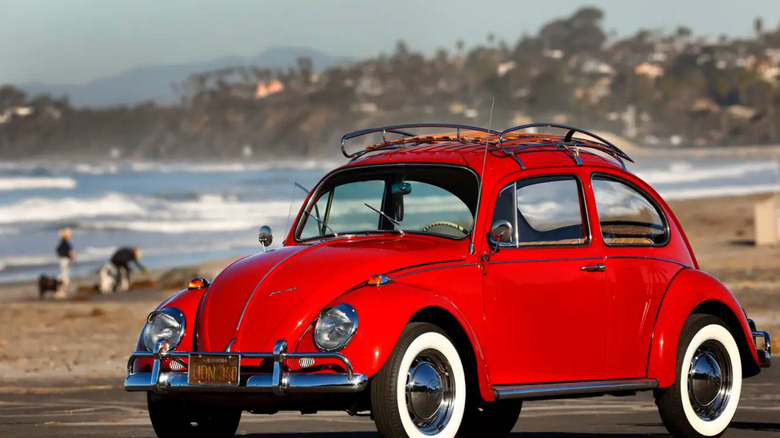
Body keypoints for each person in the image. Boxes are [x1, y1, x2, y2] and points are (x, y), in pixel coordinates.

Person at [54, 227, 75, 299]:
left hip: (63, 260)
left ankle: (61, 291)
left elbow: (58, 250)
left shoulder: (63, 242)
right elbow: (64, 252)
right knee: (64, 276)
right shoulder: (65, 243)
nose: (71, 236)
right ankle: (60, 291)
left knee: (64, 275)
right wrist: (69, 254)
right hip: (64, 260)